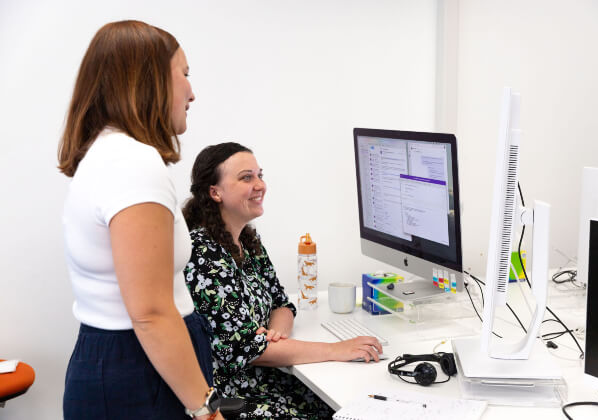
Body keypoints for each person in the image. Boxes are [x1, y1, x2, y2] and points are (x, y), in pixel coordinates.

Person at [58, 21, 223, 420]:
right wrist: (207, 410)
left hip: (125, 362)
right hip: (138, 368)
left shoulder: (107, 154)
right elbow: (149, 312)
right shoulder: (131, 162)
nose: (192, 92)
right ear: (147, 82)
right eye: (184, 75)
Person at [182, 142, 383, 419]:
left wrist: (276, 333)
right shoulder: (203, 253)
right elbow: (247, 348)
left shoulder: (246, 241)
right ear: (215, 192)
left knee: (353, 408)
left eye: (259, 175)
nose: (260, 185)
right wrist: (336, 349)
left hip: (266, 378)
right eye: (246, 177)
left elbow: (282, 304)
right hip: (232, 395)